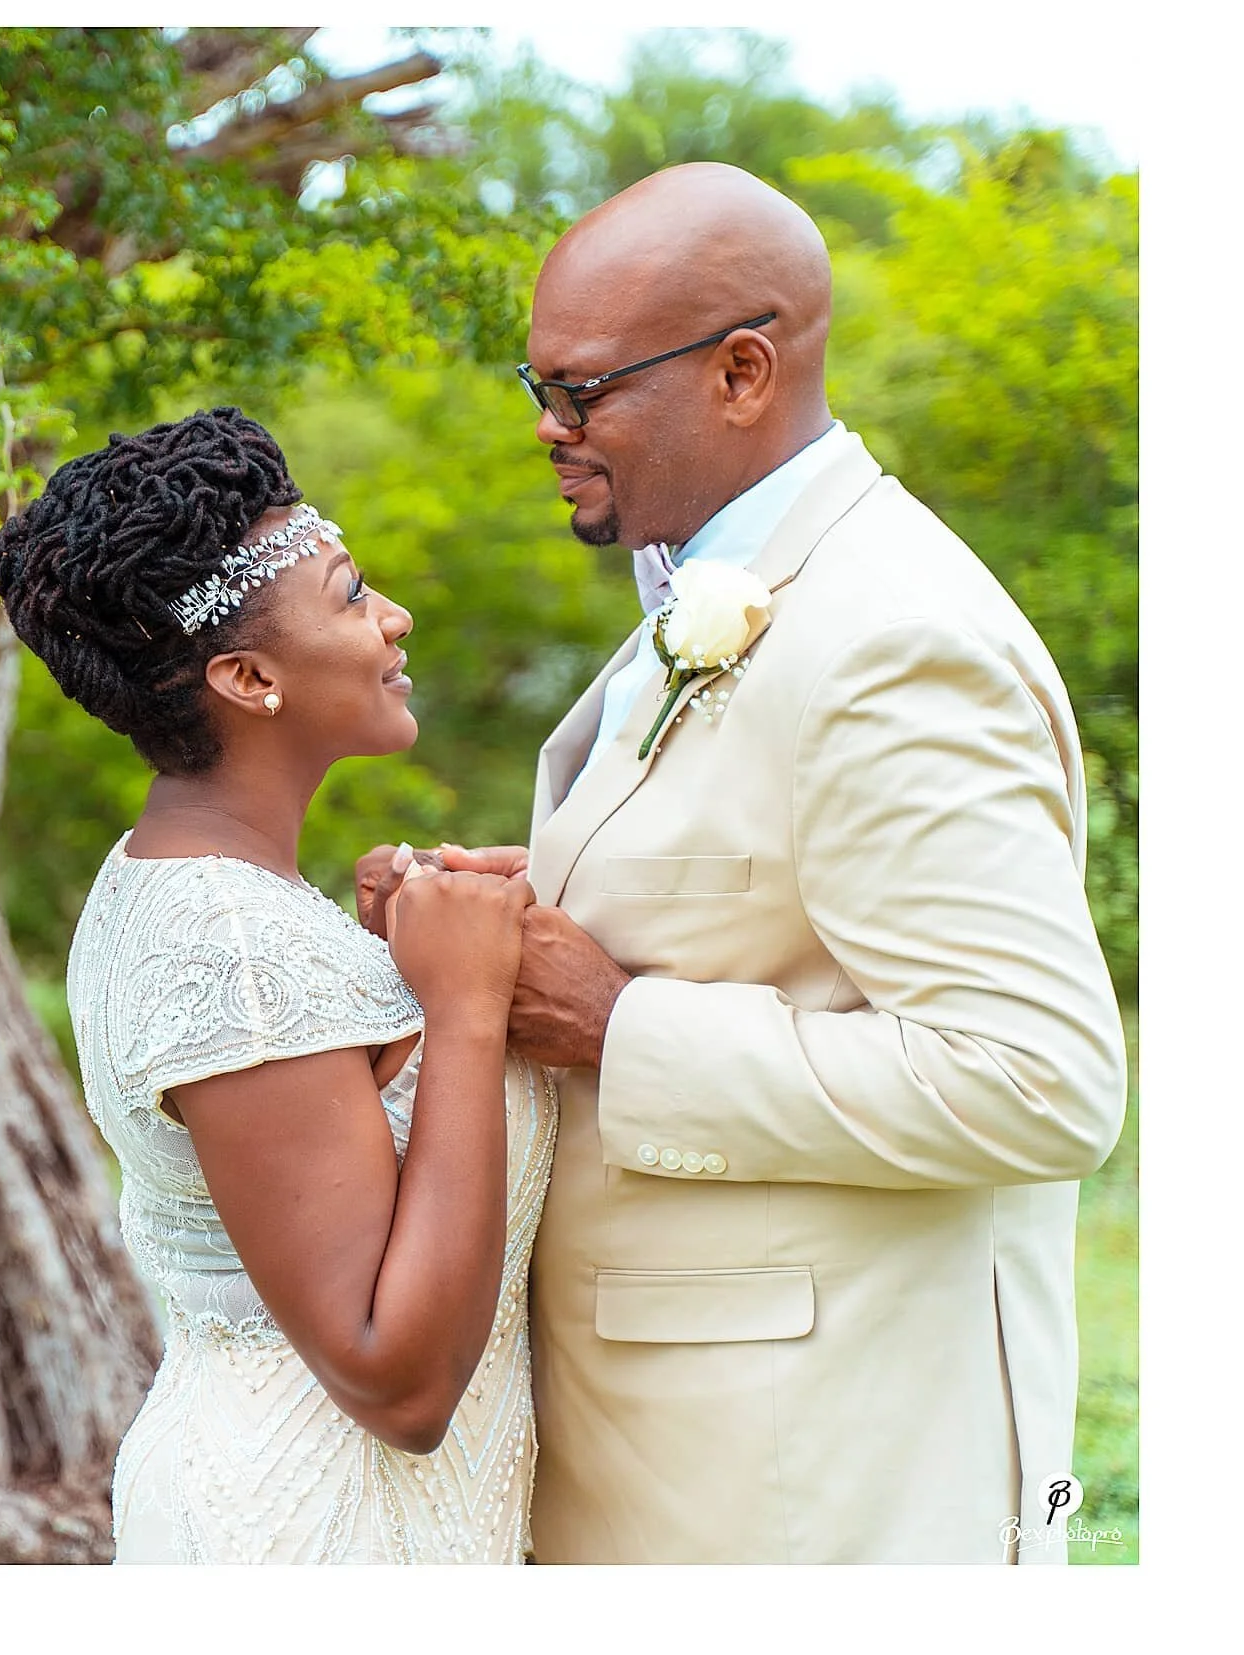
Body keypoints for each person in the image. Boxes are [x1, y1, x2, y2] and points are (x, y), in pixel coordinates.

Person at [361, 161, 1127, 1565]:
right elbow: (755, 898)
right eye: (534, 384)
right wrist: (519, 917)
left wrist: (614, 1024)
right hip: (674, 1453)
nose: (548, 425)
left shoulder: (895, 637)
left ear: (742, 371)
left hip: (802, 1488)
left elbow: (1039, 1082)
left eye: (582, 389)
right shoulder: (731, 584)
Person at [0, 406, 555, 1564]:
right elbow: (397, 1383)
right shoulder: (228, 945)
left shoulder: (204, 889)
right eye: (352, 596)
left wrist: (391, 976)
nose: (395, 618)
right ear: (248, 677)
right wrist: (462, 1012)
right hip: (310, 1533)